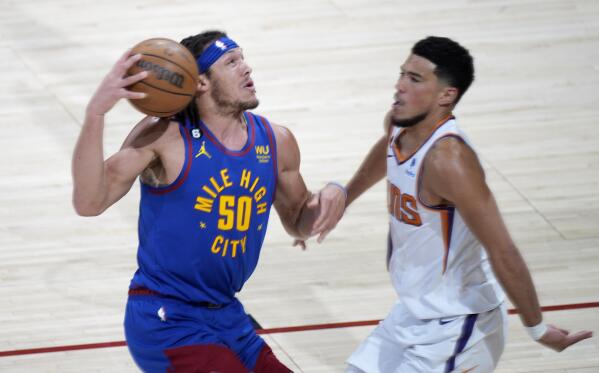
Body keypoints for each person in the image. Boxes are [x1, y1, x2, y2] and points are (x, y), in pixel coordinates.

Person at [71, 30, 346, 373]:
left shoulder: (276, 141)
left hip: (227, 315)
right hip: (164, 317)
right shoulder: (165, 136)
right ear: (199, 82)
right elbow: (88, 202)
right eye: (232, 62)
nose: (247, 68)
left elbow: (297, 221)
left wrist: (331, 199)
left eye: (243, 58)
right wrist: (96, 114)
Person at [331, 36, 593, 372]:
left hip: (457, 325)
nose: (398, 86)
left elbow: (503, 250)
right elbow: (388, 150)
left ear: (446, 95)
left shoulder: (450, 162)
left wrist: (537, 328)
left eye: (414, 79)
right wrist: (345, 198)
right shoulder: (399, 123)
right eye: (402, 74)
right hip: (412, 312)